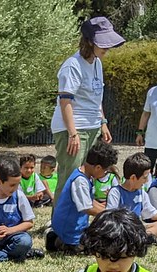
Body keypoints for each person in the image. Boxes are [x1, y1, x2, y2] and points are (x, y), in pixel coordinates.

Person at [50, 17, 124, 190]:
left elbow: (96, 97)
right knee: (70, 178)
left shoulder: (97, 63)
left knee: (85, 178)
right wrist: (72, 133)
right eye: (103, 42)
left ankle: (79, 217)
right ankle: (61, 218)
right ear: (90, 41)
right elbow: (65, 101)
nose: (107, 47)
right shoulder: (73, 65)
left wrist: (103, 122)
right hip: (74, 129)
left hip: (92, 126)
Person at [46, 141, 117, 254]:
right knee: (101, 246)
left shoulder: (84, 173)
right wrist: (112, 215)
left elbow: (90, 201)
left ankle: (57, 238)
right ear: (98, 167)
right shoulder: (80, 181)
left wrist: (107, 209)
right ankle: (60, 242)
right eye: (105, 171)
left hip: (76, 228)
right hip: (70, 232)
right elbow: (87, 208)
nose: (105, 173)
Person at [105, 152, 157, 245]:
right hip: (122, 228)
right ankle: (144, 240)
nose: (146, 181)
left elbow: (150, 213)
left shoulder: (141, 192)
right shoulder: (116, 192)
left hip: (137, 227)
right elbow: (110, 217)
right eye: (144, 178)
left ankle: (139, 240)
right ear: (133, 178)